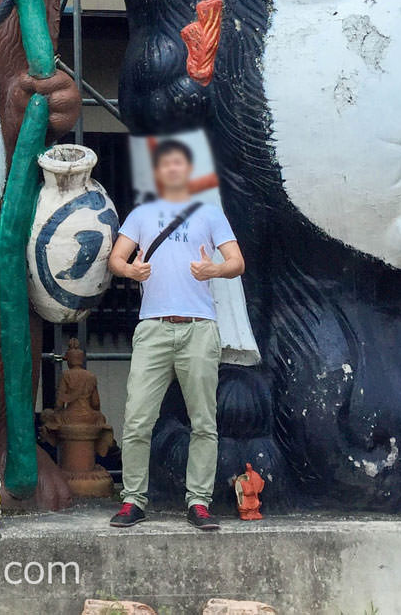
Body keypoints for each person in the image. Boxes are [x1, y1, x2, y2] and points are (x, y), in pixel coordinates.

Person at [106, 138, 244, 532]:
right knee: (136, 419)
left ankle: (198, 502)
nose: (172, 171)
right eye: (164, 165)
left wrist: (213, 271)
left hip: (199, 327)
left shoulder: (210, 212)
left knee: (203, 421)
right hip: (153, 327)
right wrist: (130, 271)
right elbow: (117, 258)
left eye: (179, 165)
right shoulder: (143, 214)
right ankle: (133, 500)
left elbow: (237, 262)